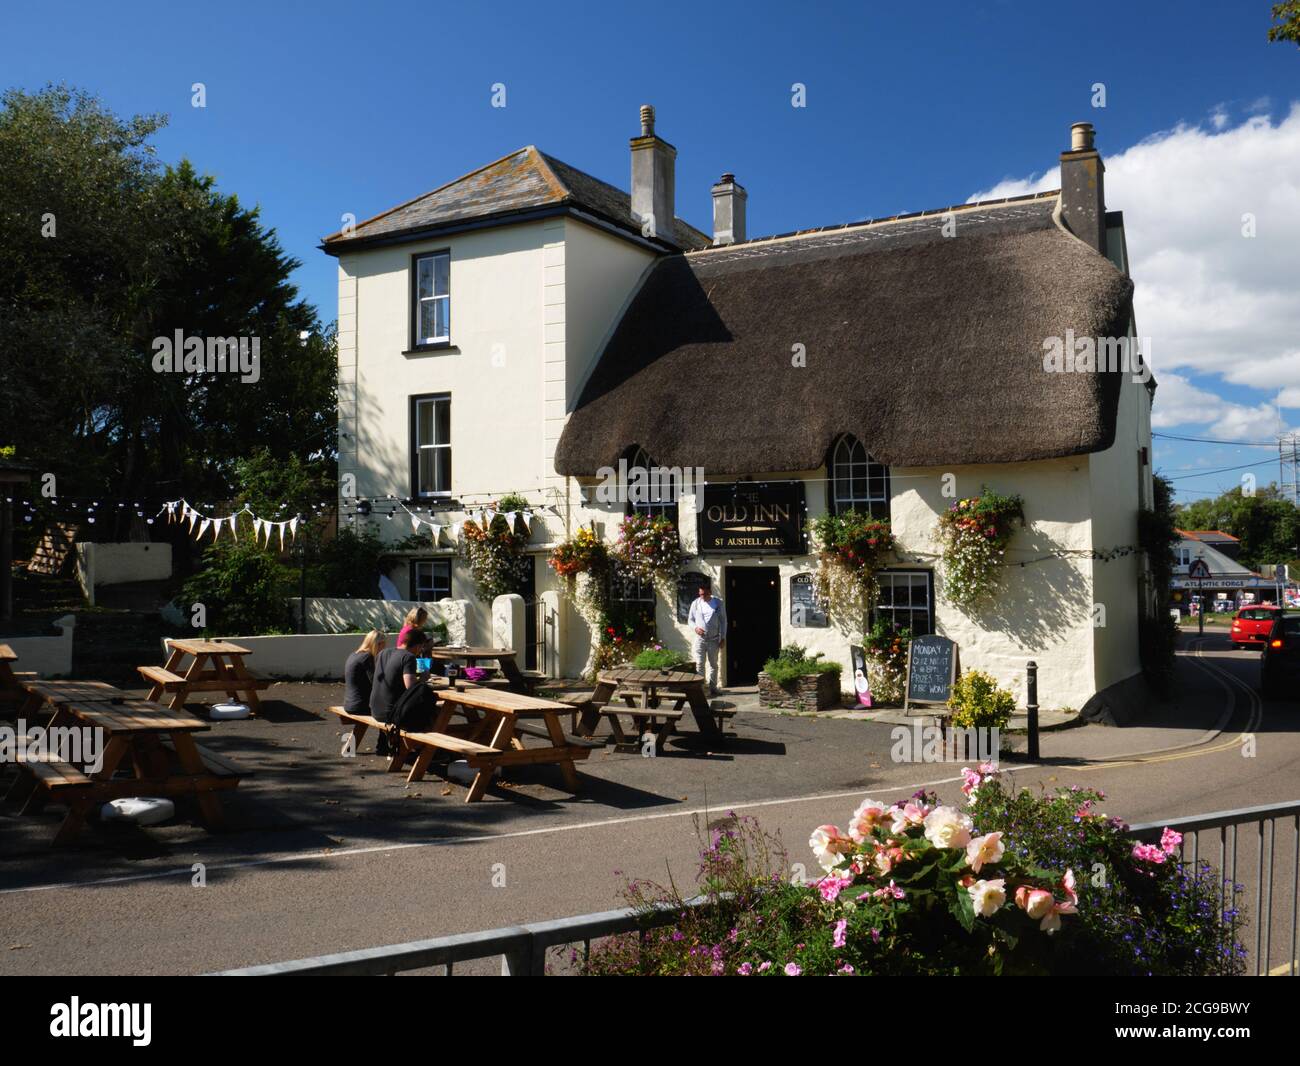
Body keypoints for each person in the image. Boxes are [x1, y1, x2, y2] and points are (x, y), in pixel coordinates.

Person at [369, 628, 429, 754]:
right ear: (418, 646)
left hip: (374, 709)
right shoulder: (409, 657)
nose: (420, 651)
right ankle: (426, 751)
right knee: (430, 710)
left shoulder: (383, 653)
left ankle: (383, 745)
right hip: (391, 714)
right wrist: (423, 678)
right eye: (421, 648)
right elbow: (411, 688)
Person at [687, 576, 726, 697]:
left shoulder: (718, 603)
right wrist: (695, 628)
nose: (702, 596)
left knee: (713, 664)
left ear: (709, 592)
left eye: (704, 593)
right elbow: (690, 620)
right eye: (700, 593)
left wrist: (723, 637)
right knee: (700, 663)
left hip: (714, 639)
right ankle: (701, 689)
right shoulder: (696, 603)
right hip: (700, 639)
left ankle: (713, 687)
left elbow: (724, 621)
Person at [344, 630, 385, 716]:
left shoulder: (354, 654)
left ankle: (356, 731)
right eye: (383, 645)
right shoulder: (367, 657)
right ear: (378, 644)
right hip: (360, 706)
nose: (384, 648)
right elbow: (376, 682)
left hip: (349, 703)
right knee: (390, 711)